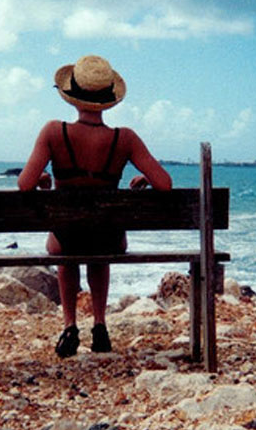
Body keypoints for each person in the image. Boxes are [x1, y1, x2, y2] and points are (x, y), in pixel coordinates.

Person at [18, 55, 172, 358]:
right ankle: (99, 324)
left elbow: (24, 184)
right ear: (108, 99)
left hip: (66, 238)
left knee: (66, 247)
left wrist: (43, 182)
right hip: (108, 238)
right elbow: (165, 184)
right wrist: (145, 179)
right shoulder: (125, 138)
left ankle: (70, 325)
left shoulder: (53, 132)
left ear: (73, 96)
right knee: (99, 241)